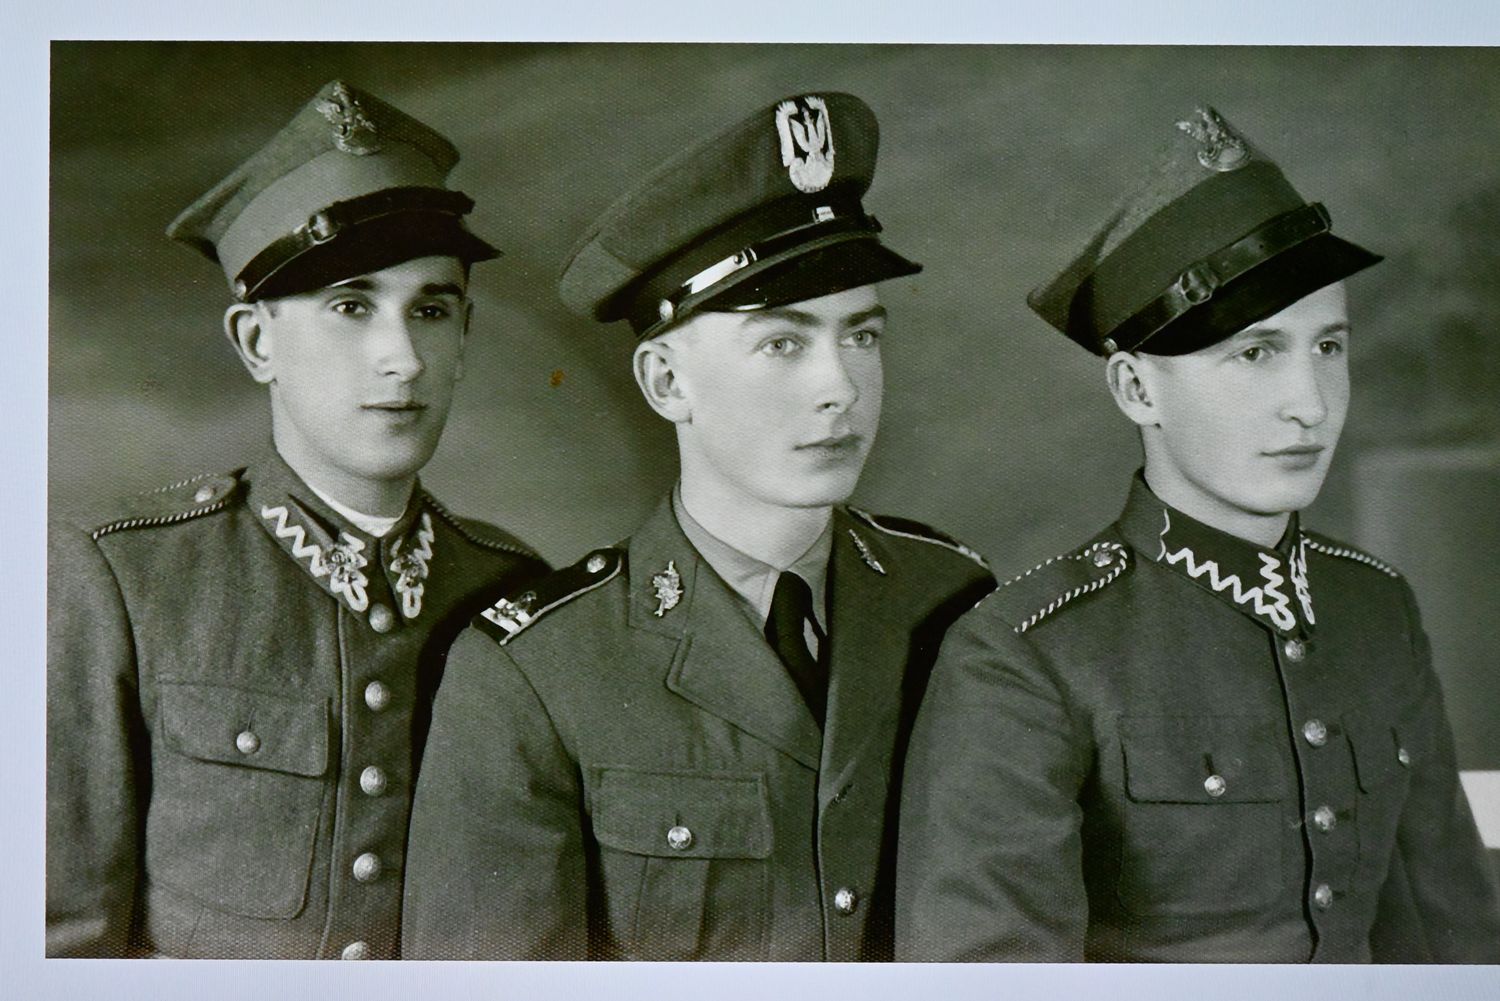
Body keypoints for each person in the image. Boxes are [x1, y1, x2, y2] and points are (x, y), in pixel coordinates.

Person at [894, 106, 1500, 963]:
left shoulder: (1376, 607)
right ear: (1137, 390)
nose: (1310, 404)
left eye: (1328, 347)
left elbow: (1452, 940)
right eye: (1256, 353)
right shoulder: (1025, 654)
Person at [401, 92, 995, 961]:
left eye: (862, 336)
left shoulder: (951, 598)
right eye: (784, 343)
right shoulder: (536, 671)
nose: (840, 386)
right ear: (666, 382)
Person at [46, 80, 548, 959]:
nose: (402, 357)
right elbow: (61, 944)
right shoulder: (122, 578)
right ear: (257, 342)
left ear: (465, 337)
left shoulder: (516, 589)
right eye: (350, 306)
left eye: (431, 310)